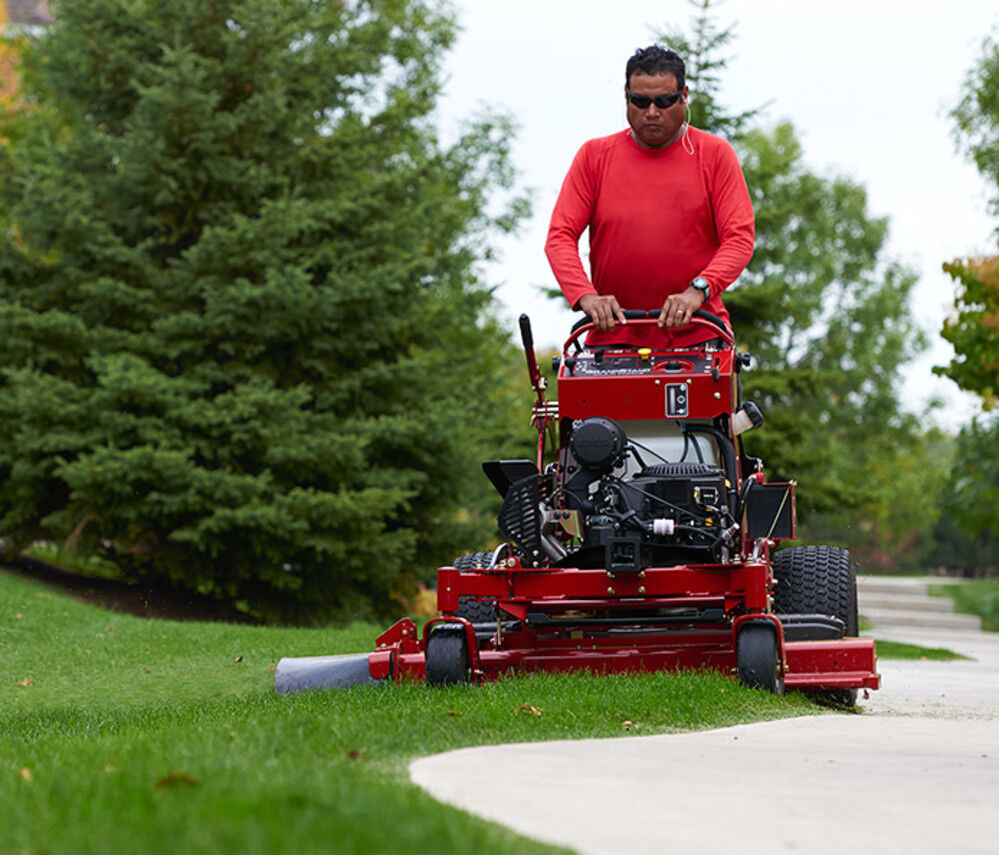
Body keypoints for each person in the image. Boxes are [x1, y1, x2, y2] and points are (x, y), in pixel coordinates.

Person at [545, 45, 755, 348]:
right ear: (626, 95)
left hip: (699, 337)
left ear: (684, 96)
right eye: (640, 102)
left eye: (664, 101)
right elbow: (560, 236)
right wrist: (585, 296)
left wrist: (698, 290)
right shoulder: (594, 156)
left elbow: (739, 237)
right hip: (612, 340)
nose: (652, 112)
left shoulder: (714, 154)